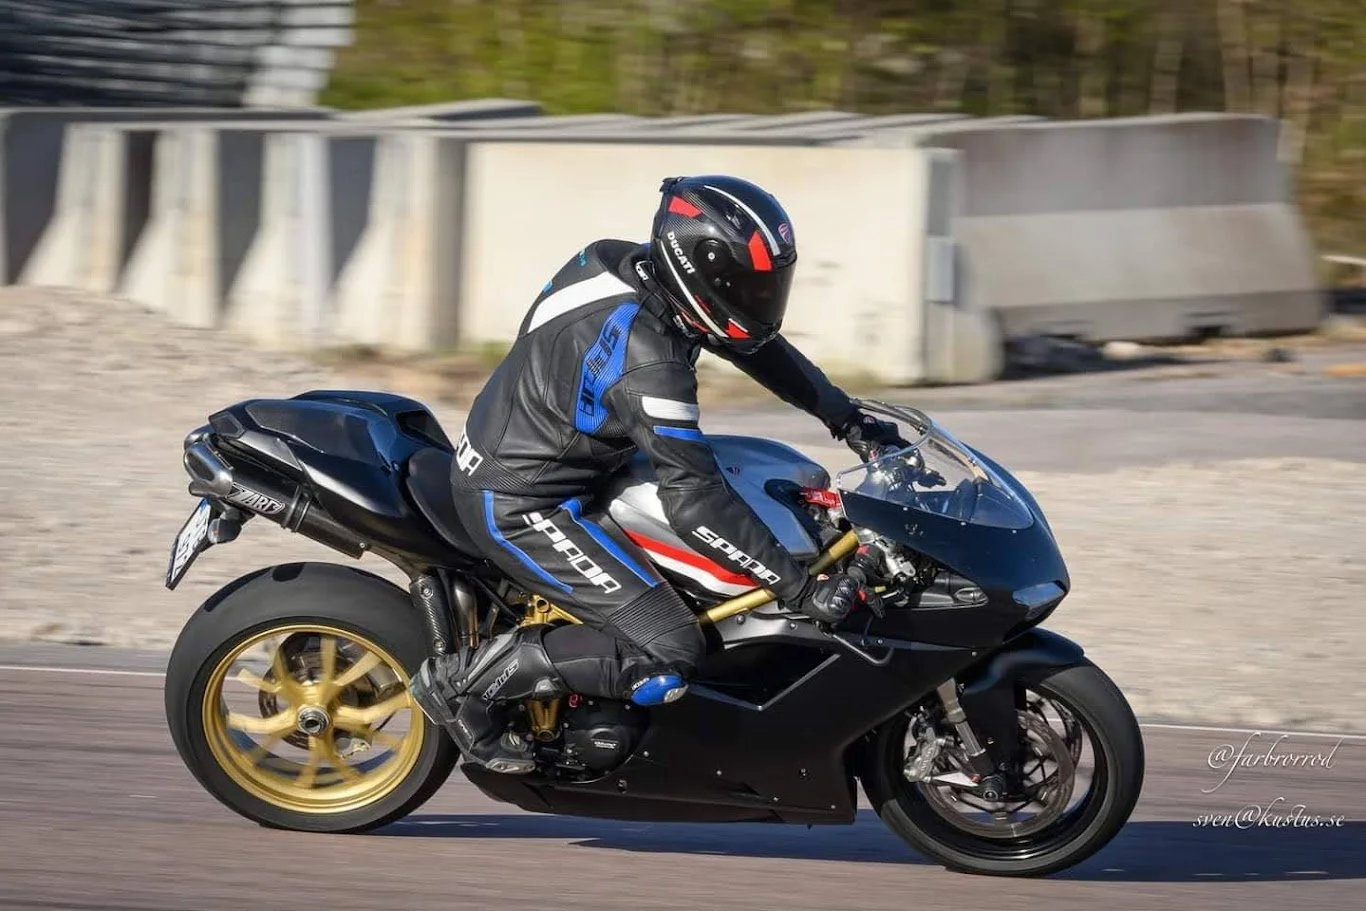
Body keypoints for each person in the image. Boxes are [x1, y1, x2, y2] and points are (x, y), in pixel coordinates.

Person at [408, 175, 907, 773]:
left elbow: (754, 344)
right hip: (521, 500)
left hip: (569, 455)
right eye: (747, 287)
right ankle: (460, 684)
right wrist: (801, 592)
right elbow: (694, 502)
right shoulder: (651, 364)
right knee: (671, 648)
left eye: (769, 284)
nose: (762, 298)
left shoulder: (622, 262)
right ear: (699, 273)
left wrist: (846, 418)